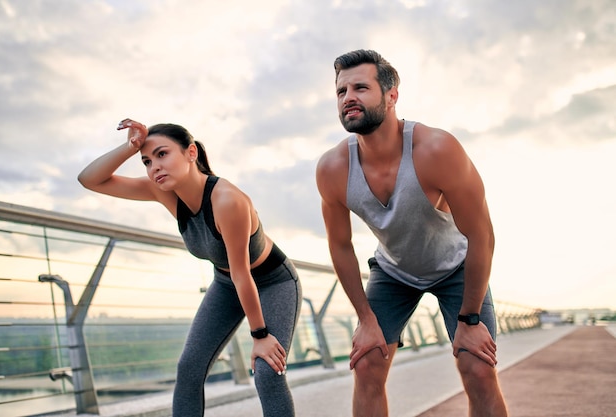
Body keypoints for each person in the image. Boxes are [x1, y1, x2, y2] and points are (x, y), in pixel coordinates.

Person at [315, 49, 508, 416]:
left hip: (457, 268)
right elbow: (340, 246)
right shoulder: (332, 168)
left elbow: (481, 236)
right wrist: (366, 320)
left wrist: (469, 319)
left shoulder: (437, 150)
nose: (348, 98)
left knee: (477, 366)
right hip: (393, 272)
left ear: (391, 95)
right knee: (367, 362)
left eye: (360, 87)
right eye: (341, 92)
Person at [78, 119, 302, 417]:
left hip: (273, 282)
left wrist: (260, 336)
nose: (154, 166)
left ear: (191, 153)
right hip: (227, 284)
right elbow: (89, 179)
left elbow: (242, 272)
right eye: (146, 161)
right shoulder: (165, 193)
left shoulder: (227, 200)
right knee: (188, 369)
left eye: (162, 154)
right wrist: (128, 147)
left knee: (267, 371)